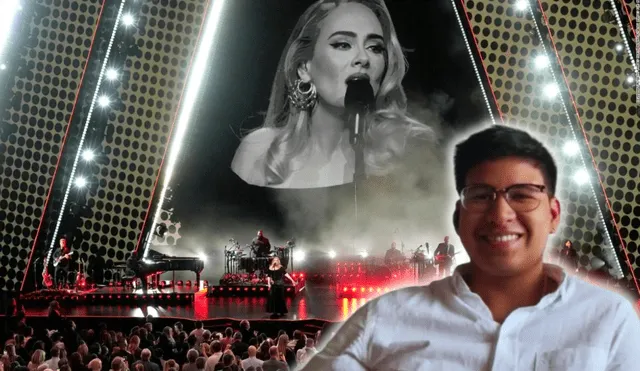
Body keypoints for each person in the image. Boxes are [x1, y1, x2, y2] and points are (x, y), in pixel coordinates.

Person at [299, 125, 640, 370]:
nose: (501, 213)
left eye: (521, 195)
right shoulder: (383, 319)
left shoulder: (609, 319)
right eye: (481, 196)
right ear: (458, 217)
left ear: (553, 215)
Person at [231, 0, 434, 189]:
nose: (363, 58)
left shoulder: (409, 150)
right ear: (304, 67)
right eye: (343, 44)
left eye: (375, 47)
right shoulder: (258, 153)